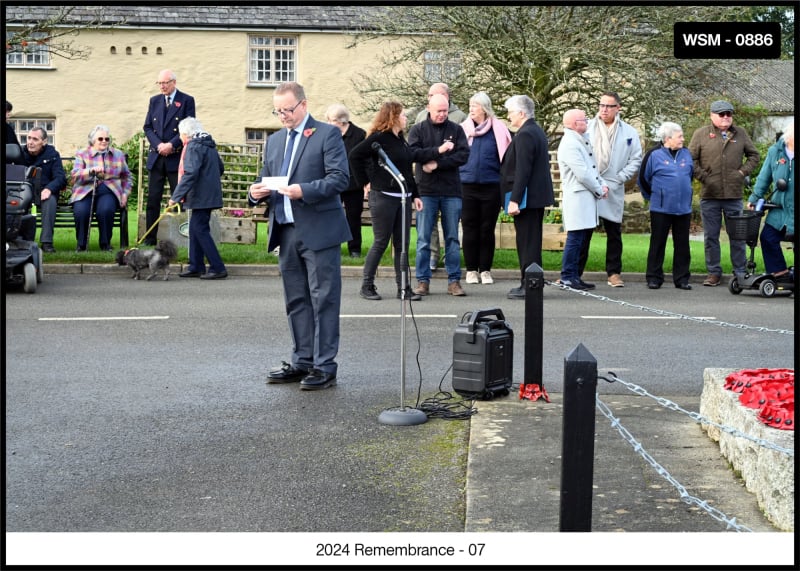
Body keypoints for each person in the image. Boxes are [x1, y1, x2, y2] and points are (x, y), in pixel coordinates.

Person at [247, 82, 350, 391]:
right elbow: (266, 178)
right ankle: (302, 360)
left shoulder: (327, 134)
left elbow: (340, 178)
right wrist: (255, 192)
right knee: (296, 301)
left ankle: (324, 366)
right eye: (278, 111)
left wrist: (304, 190)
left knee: (324, 300)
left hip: (319, 231)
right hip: (287, 230)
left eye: (288, 110)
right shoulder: (275, 141)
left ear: (303, 105)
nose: (283, 116)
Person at [349, 101, 423, 302]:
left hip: (404, 199)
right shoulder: (379, 139)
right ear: (393, 117)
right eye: (403, 115)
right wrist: (365, 182)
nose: (406, 118)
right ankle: (367, 285)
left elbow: (408, 171)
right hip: (383, 197)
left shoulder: (401, 140)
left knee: (402, 244)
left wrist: (415, 195)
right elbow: (354, 156)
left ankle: (404, 288)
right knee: (381, 241)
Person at [688, 100, 760, 287]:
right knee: (711, 236)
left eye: (729, 113)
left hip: (734, 195)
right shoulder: (701, 134)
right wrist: (704, 177)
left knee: (737, 236)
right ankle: (714, 272)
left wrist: (742, 173)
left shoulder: (740, 133)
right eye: (722, 114)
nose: (726, 117)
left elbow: (754, 156)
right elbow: (691, 159)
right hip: (710, 195)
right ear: (712, 115)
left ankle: (740, 272)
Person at [408, 93, 470, 296]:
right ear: (429, 108)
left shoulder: (456, 129)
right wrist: (439, 150)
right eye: (439, 111)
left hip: (451, 191)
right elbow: (413, 154)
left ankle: (454, 281)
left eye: (445, 110)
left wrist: (437, 164)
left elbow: (463, 155)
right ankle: (423, 280)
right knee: (424, 238)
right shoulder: (418, 130)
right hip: (426, 191)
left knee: (452, 237)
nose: (443, 114)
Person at [582, 91, 643, 288]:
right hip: (590, 185)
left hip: (613, 184)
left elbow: (635, 159)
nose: (604, 110)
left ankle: (614, 272)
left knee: (613, 232)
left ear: (618, 108)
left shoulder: (628, 132)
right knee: (583, 232)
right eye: (601, 105)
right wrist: (591, 180)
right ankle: (574, 272)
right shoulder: (587, 128)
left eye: (609, 106)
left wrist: (620, 178)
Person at [500, 95, 554, 299]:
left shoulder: (525, 134)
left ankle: (530, 284)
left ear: (521, 113)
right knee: (530, 241)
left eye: (511, 112)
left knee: (528, 243)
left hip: (527, 199)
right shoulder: (534, 130)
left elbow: (523, 169)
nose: (508, 116)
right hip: (533, 198)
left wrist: (514, 199)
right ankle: (530, 282)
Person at [459, 92, 512, 286]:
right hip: (466, 185)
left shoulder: (499, 129)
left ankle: (485, 270)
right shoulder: (462, 130)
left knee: (487, 230)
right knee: (469, 228)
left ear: (484, 107)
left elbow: (506, 159)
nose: (471, 109)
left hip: (491, 186)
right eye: (470, 105)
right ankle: (471, 270)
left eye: (475, 105)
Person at [168, 117, 227, 280]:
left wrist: (175, 197)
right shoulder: (208, 145)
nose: (180, 138)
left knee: (199, 229)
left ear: (186, 134)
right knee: (195, 228)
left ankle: (218, 267)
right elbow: (220, 168)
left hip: (201, 195)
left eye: (181, 135)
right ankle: (196, 265)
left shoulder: (193, 147)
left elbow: (190, 173)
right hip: (209, 194)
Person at [638, 122, 694, 290]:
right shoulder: (653, 155)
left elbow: (689, 176)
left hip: (683, 208)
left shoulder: (686, 154)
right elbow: (643, 179)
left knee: (683, 244)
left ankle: (682, 278)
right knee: (658, 243)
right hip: (661, 208)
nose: (683, 139)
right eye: (680, 136)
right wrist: (655, 196)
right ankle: (654, 278)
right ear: (668, 139)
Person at [142, 69, 196, 245]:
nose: (162, 86)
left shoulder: (186, 100)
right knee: (153, 200)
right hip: (157, 157)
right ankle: (150, 239)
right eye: (159, 83)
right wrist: (159, 145)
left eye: (165, 83)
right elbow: (148, 127)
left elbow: (189, 127)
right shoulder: (154, 101)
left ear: (174, 82)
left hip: (176, 158)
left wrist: (171, 145)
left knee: (179, 198)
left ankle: (180, 239)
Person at [557, 109, 608, 290]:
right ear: (573, 123)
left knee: (583, 238)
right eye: (583, 119)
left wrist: (602, 184)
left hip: (587, 197)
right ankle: (567, 276)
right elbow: (583, 174)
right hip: (578, 197)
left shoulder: (581, 140)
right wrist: (599, 189)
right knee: (575, 238)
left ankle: (575, 275)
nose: (586, 121)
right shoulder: (570, 143)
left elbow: (592, 169)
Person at [70, 125, 131, 252]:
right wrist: (90, 171)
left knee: (106, 210)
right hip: (85, 189)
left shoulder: (117, 154)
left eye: (107, 139)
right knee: (81, 212)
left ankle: (105, 244)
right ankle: (81, 245)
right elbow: (75, 175)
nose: (104, 141)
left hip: (109, 189)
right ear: (93, 141)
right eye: (100, 139)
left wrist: (125, 194)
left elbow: (127, 177)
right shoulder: (82, 154)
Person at [746, 122, 794, 284]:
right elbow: (764, 177)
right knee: (767, 237)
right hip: (780, 210)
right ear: (789, 136)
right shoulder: (776, 151)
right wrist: (754, 198)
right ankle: (781, 275)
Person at [325, 103, 367, 258]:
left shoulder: (359, 135)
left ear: (341, 121)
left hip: (353, 185)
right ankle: (331, 247)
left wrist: (365, 182)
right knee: (330, 216)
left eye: (331, 120)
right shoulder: (329, 134)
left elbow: (364, 160)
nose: (328, 124)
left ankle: (354, 249)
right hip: (333, 183)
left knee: (353, 218)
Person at [21, 127, 67, 253]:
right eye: (29, 138)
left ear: (44, 142)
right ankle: (22, 241)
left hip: (44, 192)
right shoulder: (20, 154)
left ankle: (47, 243)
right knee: (18, 202)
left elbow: (60, 178)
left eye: (35, 139)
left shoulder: (52, 154)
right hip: (24, 191)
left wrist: (49, 189)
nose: (30, 142)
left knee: (50, 201)